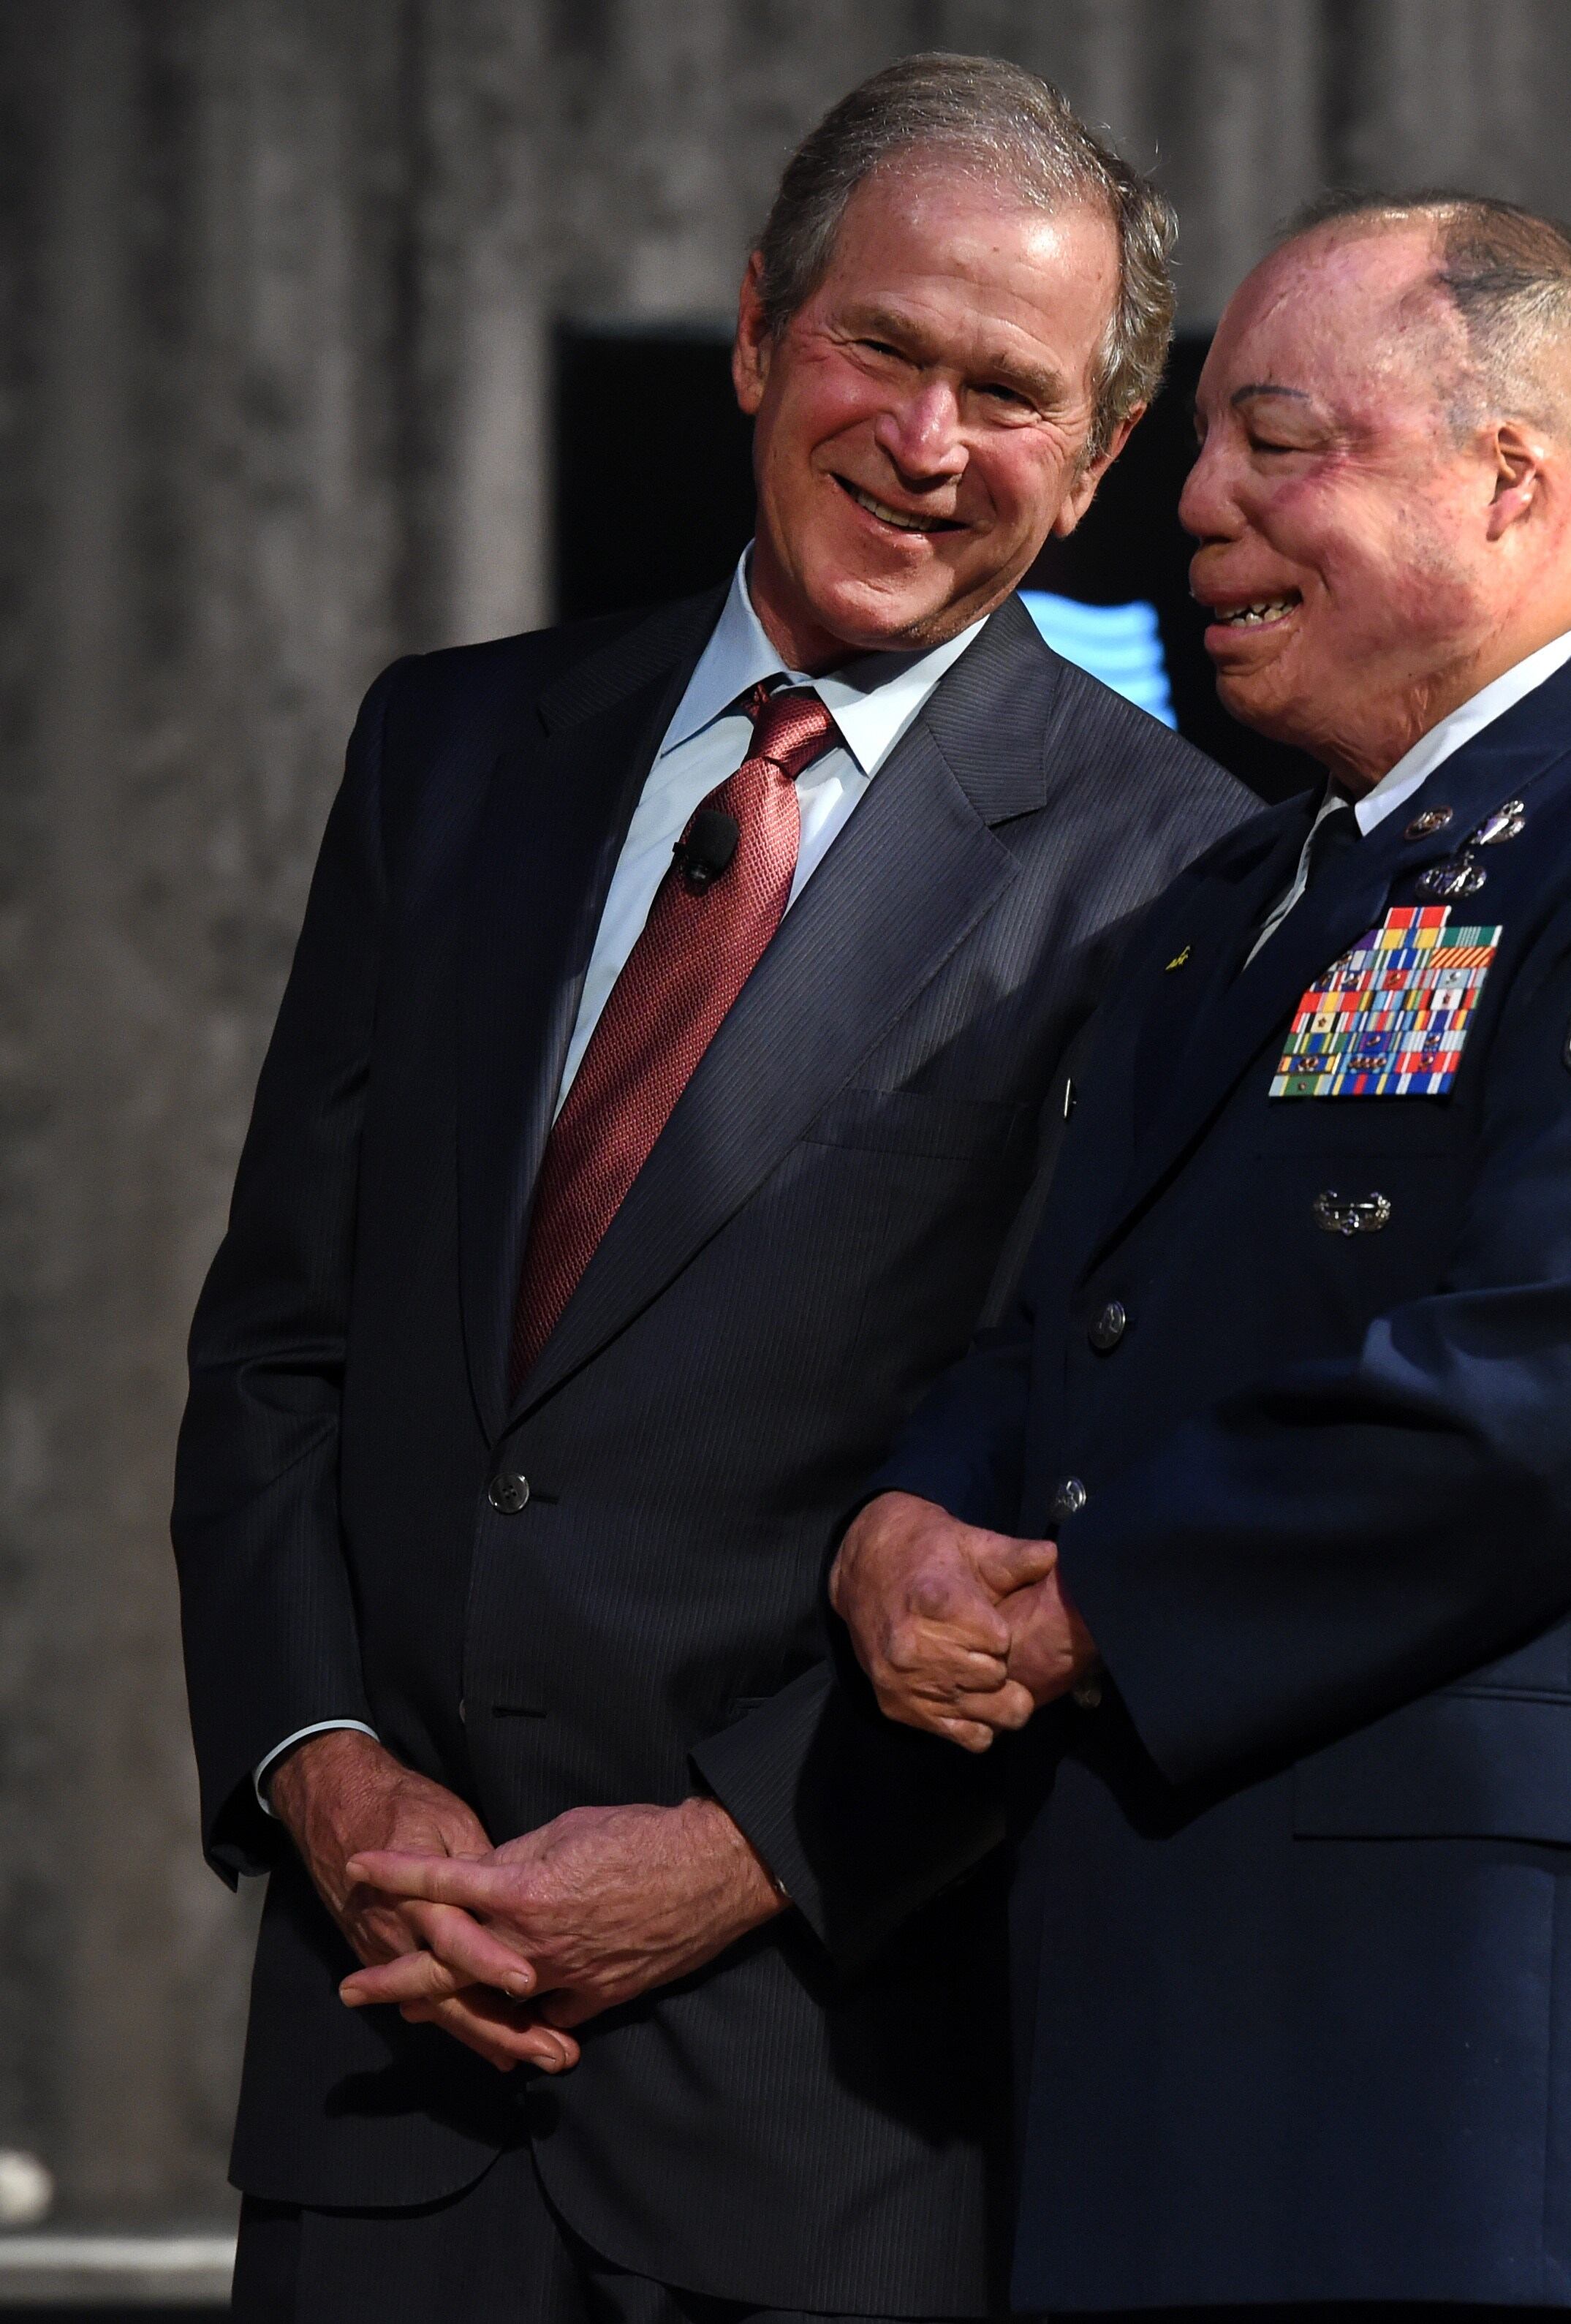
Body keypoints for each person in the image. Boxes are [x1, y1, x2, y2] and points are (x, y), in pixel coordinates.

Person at [172, 53, 1253, 2324]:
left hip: (820, 2125)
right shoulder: (448, 748)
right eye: (883, 345)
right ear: (763, 329)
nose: (928, 440)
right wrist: (319, 1762)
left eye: (1010, 394)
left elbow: (1090, 1519)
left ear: (1096, 462)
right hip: (386, 2066)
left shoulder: (1182, 880)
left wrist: (739, 1847)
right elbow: (280, 1344)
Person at [834, 192, 1571, 2324]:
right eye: (1203, 446)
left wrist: (1086, 1610)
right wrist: (911, 1521)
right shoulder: (1226, 904)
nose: (1196, 505)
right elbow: (1071, 1324)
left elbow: (1554, 1393)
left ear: (1510, 480)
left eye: (1280, 442)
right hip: (1174, 2069)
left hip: (1515, 2120)